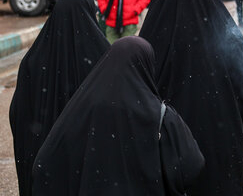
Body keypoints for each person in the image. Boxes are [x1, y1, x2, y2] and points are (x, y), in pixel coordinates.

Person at [139, 0, 243, 196]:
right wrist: (230, 114)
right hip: (221, 139)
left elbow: (138, 87)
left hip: (169, 150)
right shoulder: (223, 26)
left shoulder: (154, 30)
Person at [32, 36, 205, 196]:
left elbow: (45, 163)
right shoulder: (161, 116)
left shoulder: (81, 108)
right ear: (147, 66)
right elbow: (192, 165)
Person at [10, 0, 110, 196]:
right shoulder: (103, 57)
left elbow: (18, 112)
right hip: (87, 157)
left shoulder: (34, 60)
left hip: (43, 155)